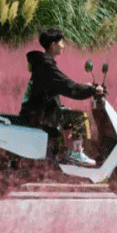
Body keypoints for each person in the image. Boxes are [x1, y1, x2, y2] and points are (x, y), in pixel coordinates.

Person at [20, 28, 105, 166]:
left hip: (38, 110)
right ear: (53, 45)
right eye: (61, 42)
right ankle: (74, 153)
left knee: (68, 115)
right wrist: (92, 90)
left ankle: (70, 152)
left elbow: (57, 87)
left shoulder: (43, 63)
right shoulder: (46, 66)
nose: (63, 45)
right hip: (41, 114)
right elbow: (68, 87)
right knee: (81, 116)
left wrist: (88, 88)